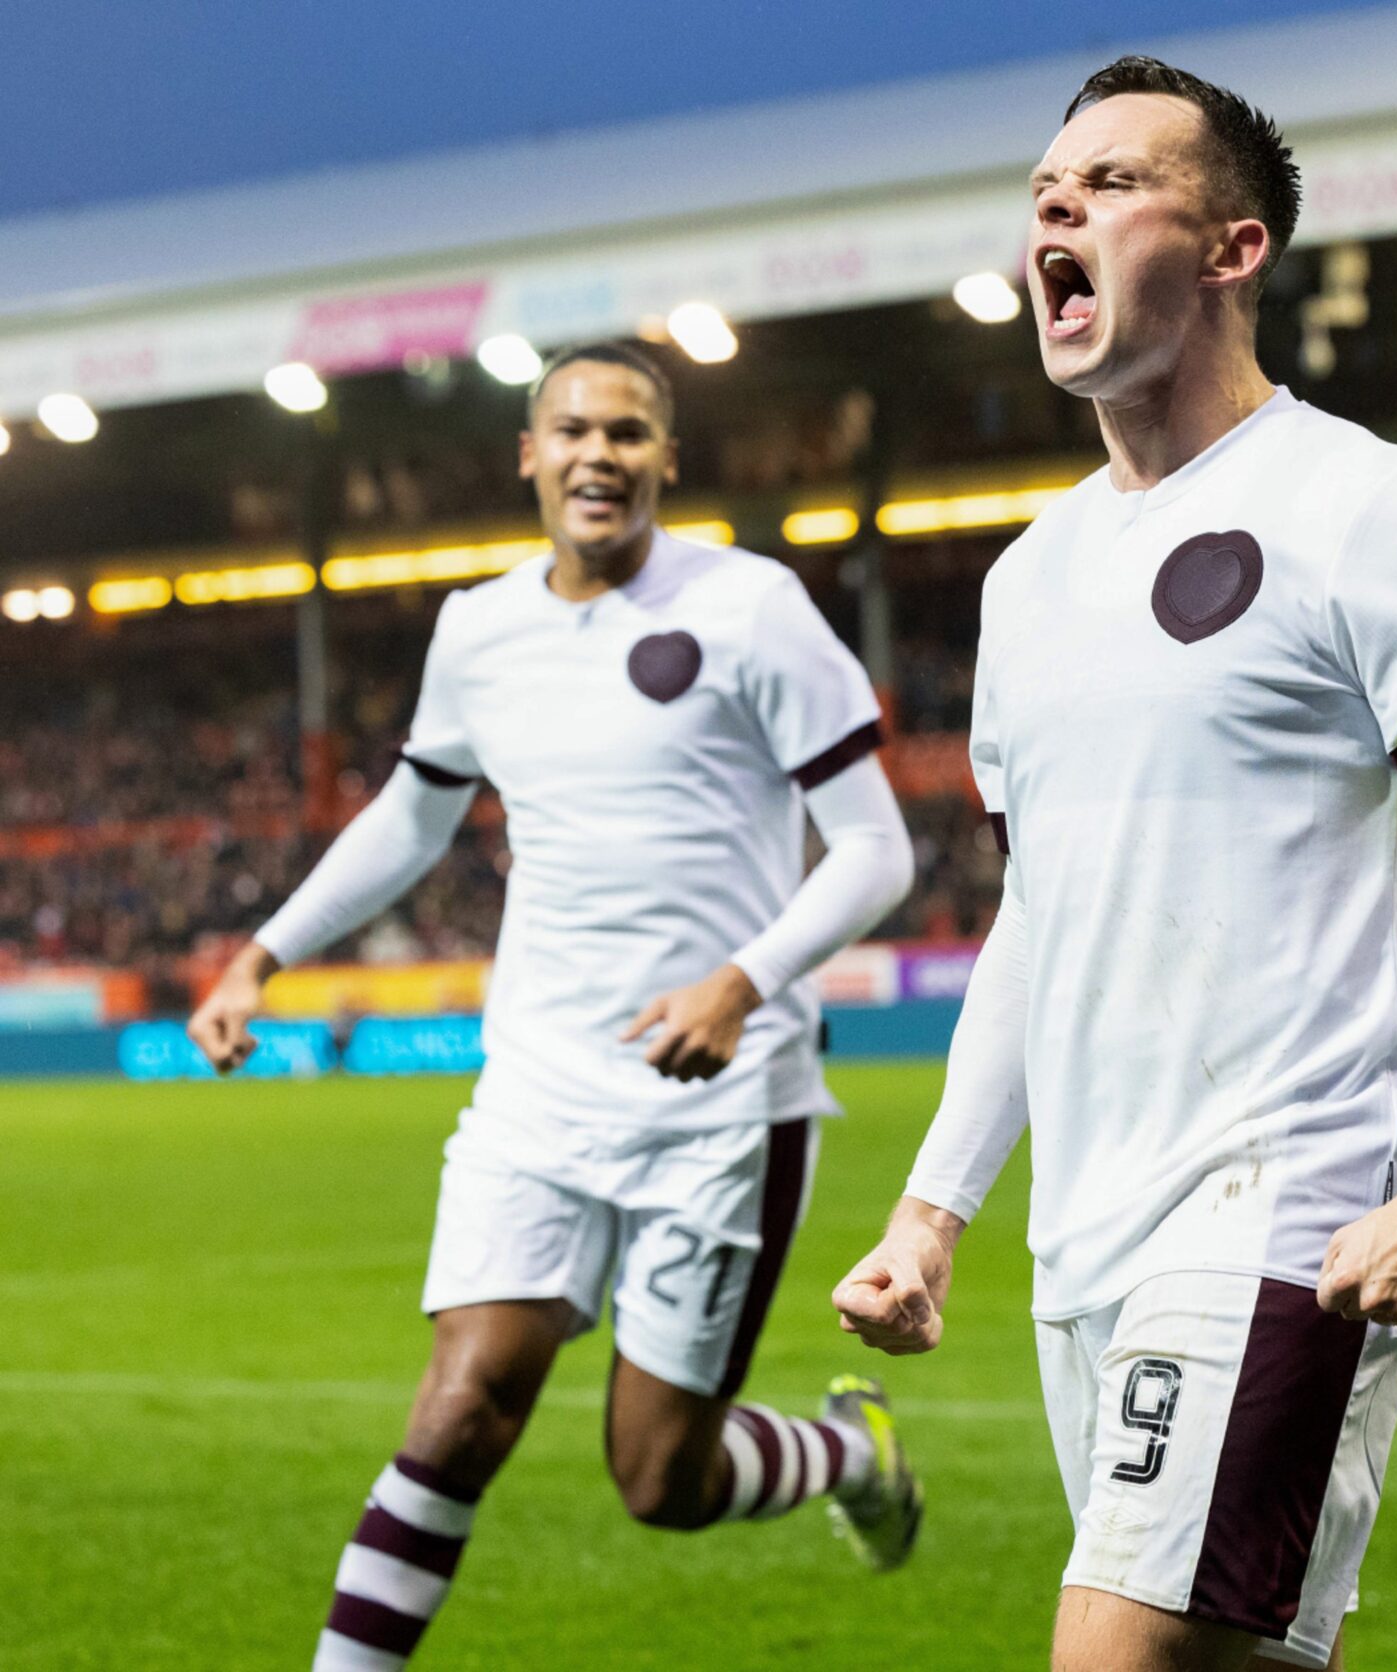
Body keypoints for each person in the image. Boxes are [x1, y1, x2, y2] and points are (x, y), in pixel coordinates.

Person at [830, 57, 1397, 1672]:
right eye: (1047, 195)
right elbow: (1040, 924)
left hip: (1286, 1204)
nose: (1060, 213)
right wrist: (930, 1209)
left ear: (1234, 249)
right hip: (1084, 1233)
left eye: (1110, 185)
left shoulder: (1366, 505)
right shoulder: (1030, 581)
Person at [185, 343, 925, 1672]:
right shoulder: (478, 628)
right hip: (536, 1087)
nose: (601, 454)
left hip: (722, 1104)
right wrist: (266, 952)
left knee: (658, 1481)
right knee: (458, 1413)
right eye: (574, 430)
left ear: (666, 461)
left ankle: (845, 1450)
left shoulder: (752, 609)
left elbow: (877, 851)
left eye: (630, 433)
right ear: (528, 455)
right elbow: (412, 818)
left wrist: (741, 981)